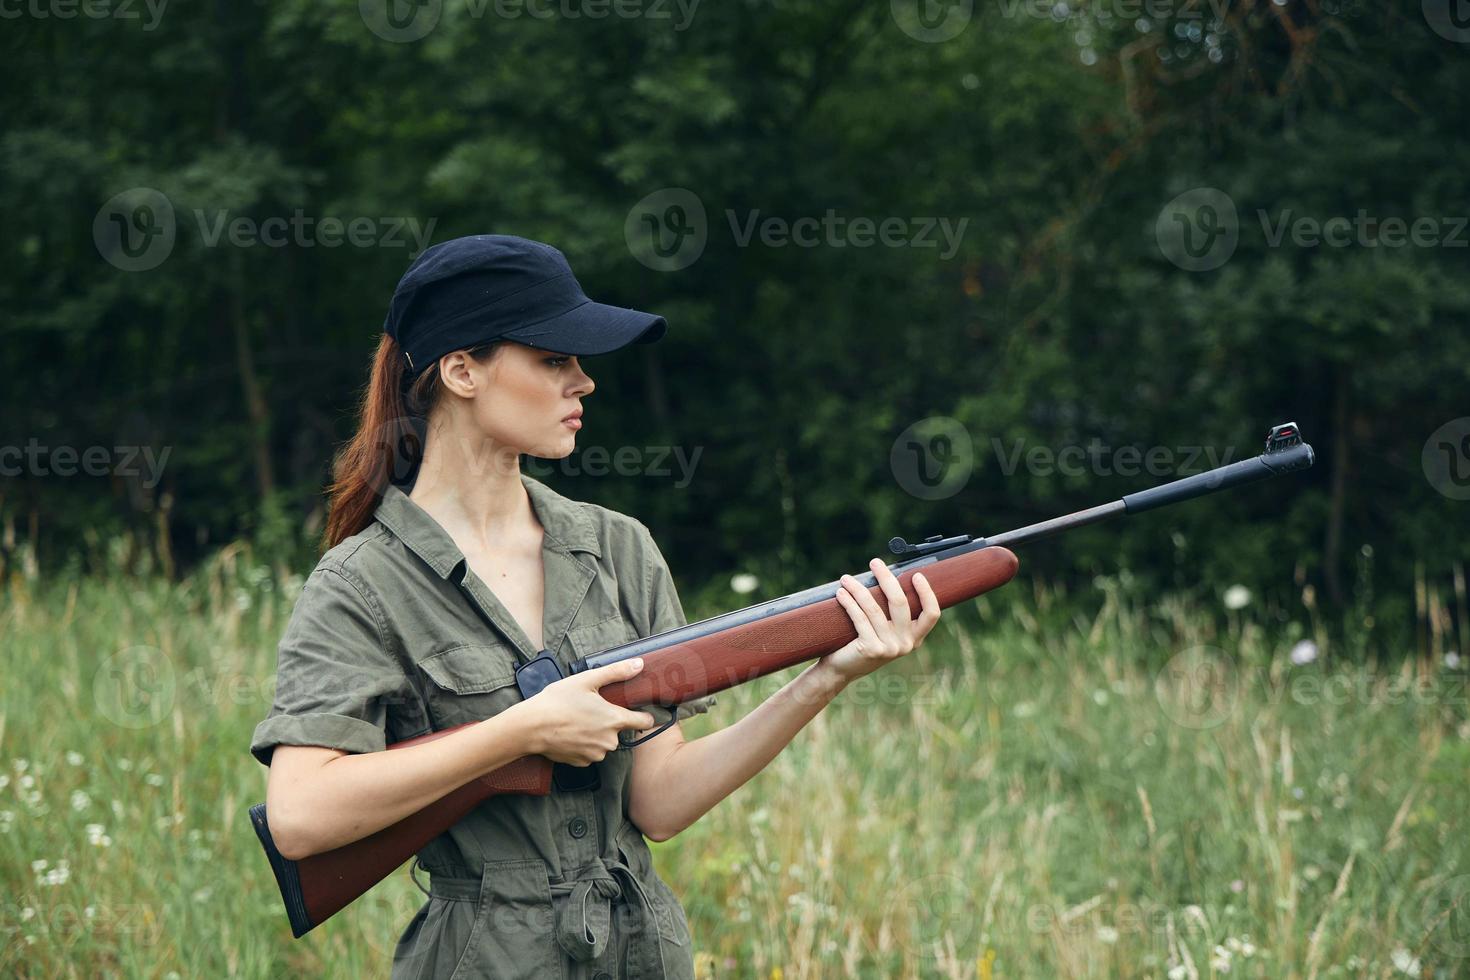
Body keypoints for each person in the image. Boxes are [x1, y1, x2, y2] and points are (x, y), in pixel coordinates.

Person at [249, 234, 943, 979]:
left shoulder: (620, 548)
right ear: (461, 371)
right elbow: (301, 816)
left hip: (641, 955)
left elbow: (660, 802)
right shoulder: (361, 582)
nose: (584, 383)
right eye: (554, 360)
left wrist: (827, 675)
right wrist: (520, 733)